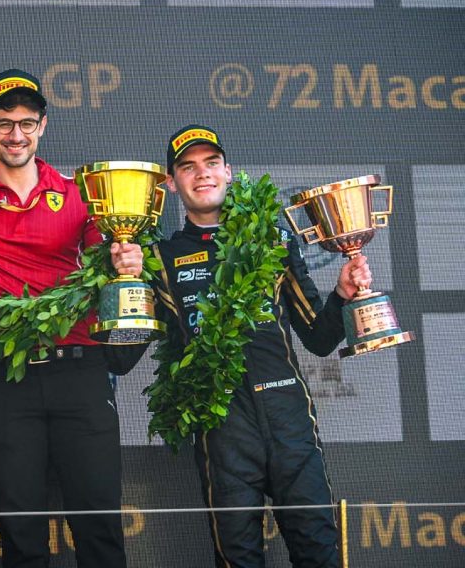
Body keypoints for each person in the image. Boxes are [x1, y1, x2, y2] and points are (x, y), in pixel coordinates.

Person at [118, 125, 372, 567]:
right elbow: (121, 359)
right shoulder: (159, 258)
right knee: (237, 559)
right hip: (222, 428)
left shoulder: (271, 240)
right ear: (172, 183)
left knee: (319, 552)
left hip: (288, 416)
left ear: (228, 172)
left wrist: (342, 296)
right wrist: (125, 280)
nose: (202, 174)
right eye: (188, 167)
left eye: (211, 163)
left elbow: (319, 337)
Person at [0, 69, 131, 567]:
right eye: (4, 122)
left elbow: (112, 265)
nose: (16, 134)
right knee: (20, 528)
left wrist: (127, 265)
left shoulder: (83, 193)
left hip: (79, 370)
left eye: (27, 123)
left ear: (43, 126)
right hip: (1, 377)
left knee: (100, 523)